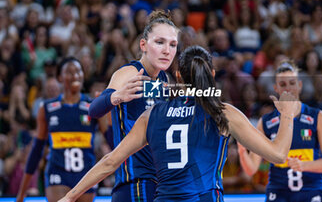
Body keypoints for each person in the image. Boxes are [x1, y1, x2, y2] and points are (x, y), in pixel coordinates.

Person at [58, 45, 298, 202]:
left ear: (179, 76)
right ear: (212, 75)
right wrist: (286, 115)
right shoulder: (223, 113)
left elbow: (110, 162)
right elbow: (278, 155)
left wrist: (70, 197)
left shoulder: (152, 114)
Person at [87, 10, 179, 202]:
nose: (166, 50)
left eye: (172, 45)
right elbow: (93, 110)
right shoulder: (130, 73)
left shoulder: (163, 79)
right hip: (135, 182)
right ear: (143, 45)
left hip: (159, 182)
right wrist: (116, 96)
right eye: (160, 42)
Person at [238, 60, 322, 202]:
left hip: (311, 191)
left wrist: (304, 165)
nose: (288, 88)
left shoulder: (317, 116)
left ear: (300, 85)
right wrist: (242, 151)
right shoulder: (266, 122)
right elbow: (251, 169)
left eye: (292, 83)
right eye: (283, 84)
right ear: (276, 88)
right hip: (279, 194)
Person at [16, 57, 109, 202]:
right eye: (70, 72)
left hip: (86, 174)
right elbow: (36, 150)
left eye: (78, 71)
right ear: (60, 77)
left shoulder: (93, 105)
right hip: (58, 173)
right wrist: (21, 193)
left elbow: (112, 140)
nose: (75, 76)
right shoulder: (47, 108)